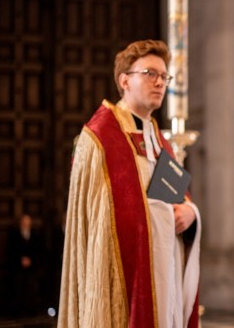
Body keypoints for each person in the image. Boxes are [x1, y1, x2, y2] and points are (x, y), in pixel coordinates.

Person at [58, 40, 201, 328]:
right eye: (150, 73)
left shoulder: (160, 141)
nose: (160, 82)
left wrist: (191, 214)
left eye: (164, 76)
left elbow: (178, 200)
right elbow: (97, 222)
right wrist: (158, 216)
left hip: (165, 276)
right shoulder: (100, 136)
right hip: (123, 281)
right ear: (125, 80)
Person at [5, 214, 43, 317]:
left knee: (31, 289)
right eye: (24, 222)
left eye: (28, 222)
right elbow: (11, 250)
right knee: (18, 289)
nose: (26, 224)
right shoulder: (14, 234)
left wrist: (31, 260)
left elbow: (38, 250)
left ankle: (31, 311)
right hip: (18, 267)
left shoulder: (35, 234)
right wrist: (21, 260)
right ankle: (18, 311)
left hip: (31, 267)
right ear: (21, 223)